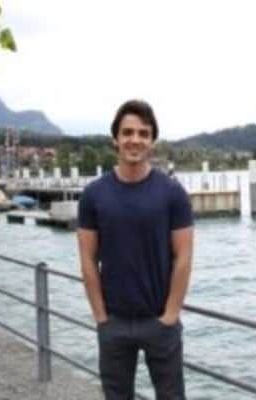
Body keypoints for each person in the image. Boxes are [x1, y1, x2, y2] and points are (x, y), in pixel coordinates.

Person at [77, 100, 194, 400]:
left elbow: (183, 256)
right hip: (114, 322)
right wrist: (101, 318)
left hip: (160, 321)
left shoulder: (173, 194)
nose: (135, 139)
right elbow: (88, 259)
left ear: (152, 141)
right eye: (127, 132)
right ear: (115, 138)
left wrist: (170, 315)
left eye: (143, 133)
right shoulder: (93, 195)